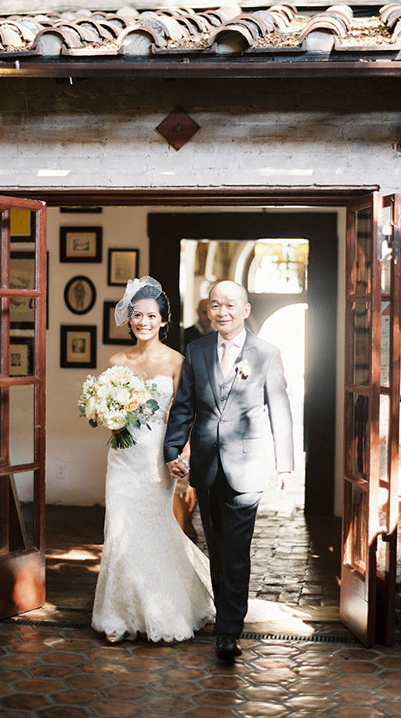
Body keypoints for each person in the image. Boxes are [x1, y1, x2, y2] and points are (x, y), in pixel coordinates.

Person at [164, 280, 294, 660]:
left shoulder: (266, 353)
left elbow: (280, 409)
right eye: (215, 305)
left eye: (230, 305)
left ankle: (228, 631)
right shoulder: (197, 350)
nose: (222, 312)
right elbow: (184, 406)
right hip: (206, 465)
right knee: (217, 549)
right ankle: (225, 616)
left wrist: (284, 464)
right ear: (208, 310)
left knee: (236, 549)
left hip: (247, 466)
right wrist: (173, 449)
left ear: (245, 310)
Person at [91, 276, 214, 644]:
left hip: (156, 458)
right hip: (122, 458)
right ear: (129, 319)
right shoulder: (116, 360)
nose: (143, 322)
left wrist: (182, 455)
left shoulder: (177, 361)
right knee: (118, 529)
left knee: (153, 529)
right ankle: (118, 614)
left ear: (163, 321)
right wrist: (109, 418)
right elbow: (106, 407)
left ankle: (163, 610)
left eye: (151, 316)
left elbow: (187, 414)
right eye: (137, 315)